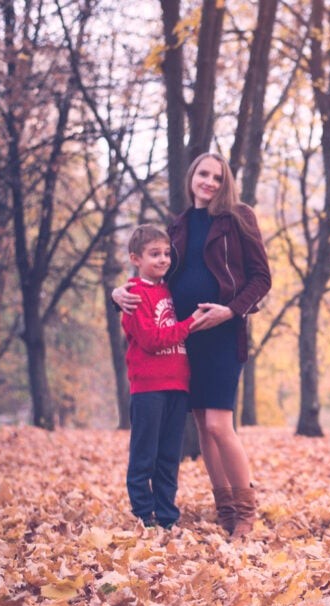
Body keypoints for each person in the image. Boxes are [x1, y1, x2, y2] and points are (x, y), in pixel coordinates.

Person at [114, 152, 271, 537]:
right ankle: (226, 511)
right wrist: (119, 291)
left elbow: (261, 278)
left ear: (226, 182)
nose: (210, 183)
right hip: (183, 340)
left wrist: (231, 311)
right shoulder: (179, 225)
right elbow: (156, 273)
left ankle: (246, 515)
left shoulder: (238, 217)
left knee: (219, 424)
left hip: (220, 334)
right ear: (191, 177)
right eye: (203, 174)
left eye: (218, 177)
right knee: (202, 427)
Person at [122, 224, 201, 530]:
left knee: (170, 457)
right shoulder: (133, 296)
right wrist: (189, 324)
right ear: (135, 258)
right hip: (148, 388)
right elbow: (152, 339)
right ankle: (144, 515)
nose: (163, 259)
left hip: (177, 385)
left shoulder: (170, 290)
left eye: (167, 253)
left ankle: (167, 516)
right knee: (145, 456)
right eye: (154, 254)